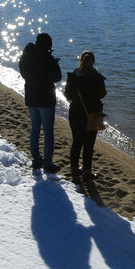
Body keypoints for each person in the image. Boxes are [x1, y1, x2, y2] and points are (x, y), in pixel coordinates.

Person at [18, 33, 62, 172]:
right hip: (46, 98)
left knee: (35, 129)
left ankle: (37, 159)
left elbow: (25, 73)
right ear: (48, 45)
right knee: (48, 132)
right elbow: (57, 77)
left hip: (31, 96)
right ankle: (48, 164)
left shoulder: (27, 55)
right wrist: (54, 64)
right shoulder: (46, 58)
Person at [64, 50, 107, 186]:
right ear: (93, 62)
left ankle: (74, 169)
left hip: (76, 112)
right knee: (89, 145)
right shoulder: (97, 77)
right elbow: (102, 94)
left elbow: (68, 96)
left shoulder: (73, 76)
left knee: (77, 142)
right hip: (92, 114)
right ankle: (87, 172)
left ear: (80, 61)